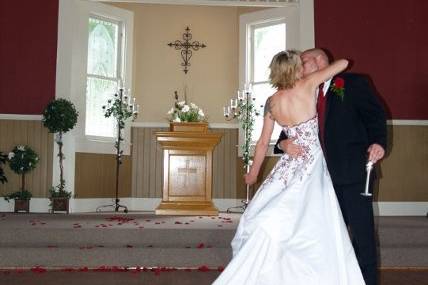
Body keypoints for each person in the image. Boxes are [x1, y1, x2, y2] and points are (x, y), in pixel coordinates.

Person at [213, 50, 365, 285]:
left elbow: (263, 143)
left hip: (288, 165)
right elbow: (344, 62)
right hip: (313, 163)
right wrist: (317, 65)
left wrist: (253, 173)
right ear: (296, 69)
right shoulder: (307, 85)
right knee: (310, 220)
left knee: (279, 213)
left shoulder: (271, 102)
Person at [274, 48, 387, 285]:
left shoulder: (352, 83)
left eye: (301, 62)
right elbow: (288, 130)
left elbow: (375, 115)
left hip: (353, 172)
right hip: (317, 178)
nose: (297, 67)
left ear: (317, 62)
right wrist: (283, 144)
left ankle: (365, 281)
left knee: (361, 232)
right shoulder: (301, 91)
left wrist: (378, 143)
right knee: (323, 234)